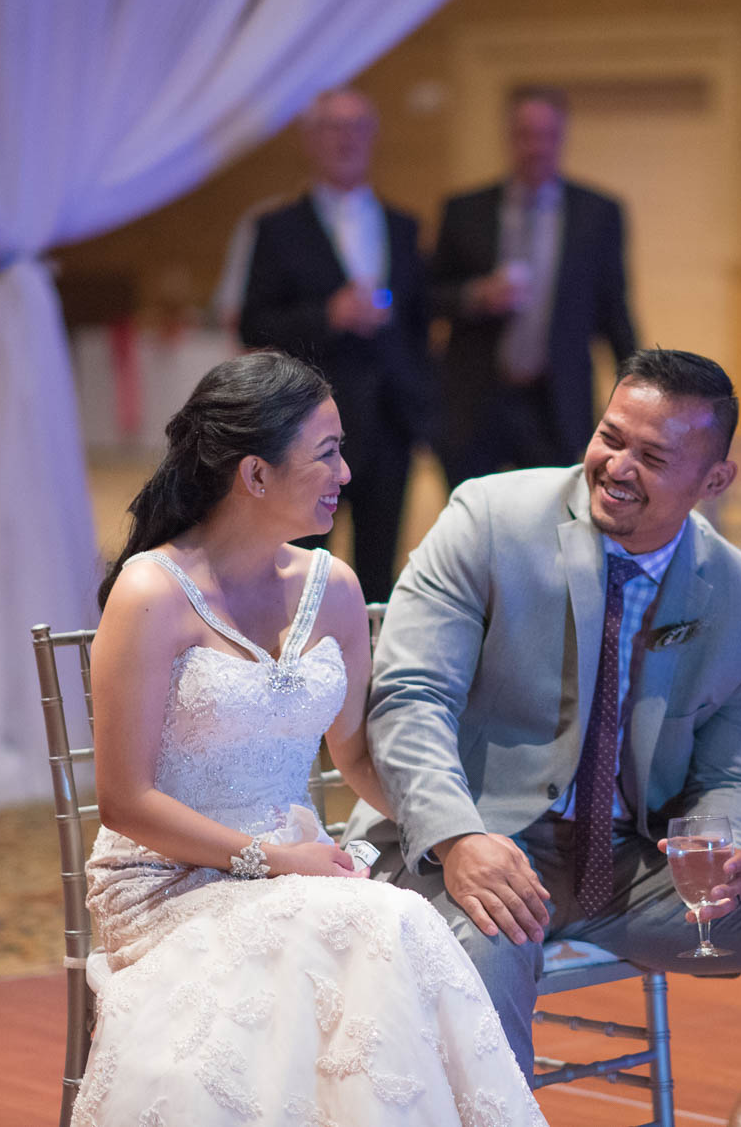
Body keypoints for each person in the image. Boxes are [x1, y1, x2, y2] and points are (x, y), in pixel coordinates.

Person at [347, 350, 741, 1127]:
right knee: (494, 941)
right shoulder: (490, 519)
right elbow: (408, 698)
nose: (618, 466)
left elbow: (738, 774)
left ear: (714, 482)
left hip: (630, 865)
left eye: (654, 457)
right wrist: (461, 837)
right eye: (611, 437)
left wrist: (728, 843)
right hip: (468, 844)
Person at [73, 352, 545, 1127]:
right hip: (164, 882)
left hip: (297, 871)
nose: (348, 472)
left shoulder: (335, 588)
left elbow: (355, 755)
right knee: (382, 924)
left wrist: (462, 839)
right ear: (254, 475)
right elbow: (124, 802)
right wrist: (272, 860)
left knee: (387, 935)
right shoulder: (153, 592)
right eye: (326, 452)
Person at [240, 87, 436, 601]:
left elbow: (421, 324)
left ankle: (370, 671)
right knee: (301, 558)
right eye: (333, 127)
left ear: (373, 137)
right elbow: (253, 325)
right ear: (311, 140)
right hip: (304, 426)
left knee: (380, 566)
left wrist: (420, 402)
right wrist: (328, 314)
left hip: (390, 421)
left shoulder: (403, 225)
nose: (346, 139)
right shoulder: (277, 229)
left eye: (358, 127)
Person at [429, 85, 639, 486]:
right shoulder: (465, 210)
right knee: (473, 531)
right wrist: (475, 296)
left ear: (562, 137)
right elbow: (426, 298)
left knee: (550, 526)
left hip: (555, 404)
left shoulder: (597, 214)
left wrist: (634, 395)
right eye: (526, 135)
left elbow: (615, 310)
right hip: (475, 402)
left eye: (547, 136)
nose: (536, 147)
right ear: (509, 137)